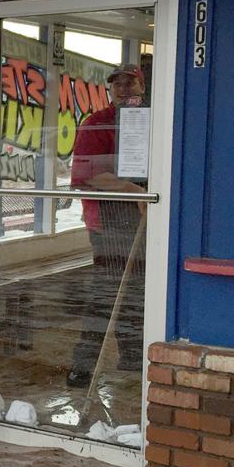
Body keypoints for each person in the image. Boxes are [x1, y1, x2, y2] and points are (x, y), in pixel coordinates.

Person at [65, 63, 149, 388]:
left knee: (138, 294)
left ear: (142, 87)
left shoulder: (153, 119)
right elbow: (88, 174)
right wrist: (137, 192)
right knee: (105, 294)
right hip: (108, 223)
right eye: (118, 84)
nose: (124, 89)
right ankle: (82, 366)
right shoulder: (96, 124)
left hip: (145, 222)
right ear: (111, 90)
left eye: (130, 83)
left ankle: (132, 357)